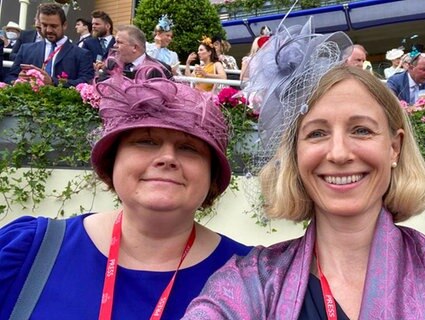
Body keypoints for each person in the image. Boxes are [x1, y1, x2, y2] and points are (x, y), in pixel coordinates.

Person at [182, 20, 425, 319]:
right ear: (294, 154)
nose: (338, 153)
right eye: (317, 133)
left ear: (394, 147)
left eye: (361, 130)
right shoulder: (247, 285)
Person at [0, 65, 251, 319]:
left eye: (189, 148)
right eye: (146, 141)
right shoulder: (30, 250)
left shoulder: (255, 276)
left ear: (212, 174)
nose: (167, 158)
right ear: (113, 159)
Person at [5, 3, 94, 87]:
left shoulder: (82, 54)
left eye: (53, 26)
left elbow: (85, 82)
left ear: (64, 25)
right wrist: (18, 81)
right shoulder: (26, 50)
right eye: (44, 25)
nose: (48, 30)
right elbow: (9, 77)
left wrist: (53, 82)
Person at [97, 25, 172, 81]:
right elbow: (100, 88)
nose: (114, 45)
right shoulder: (112, 63)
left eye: (119, 42)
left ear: (135, 47)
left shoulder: (160, 70)